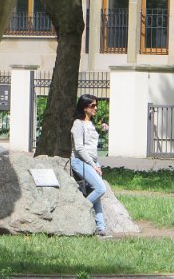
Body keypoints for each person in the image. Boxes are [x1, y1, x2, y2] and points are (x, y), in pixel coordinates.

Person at [70, 94, 110, 238]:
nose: (96, 108)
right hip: (80, 161)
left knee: (96, 192)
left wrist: (96, 164)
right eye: (93, 105)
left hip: (91, 162)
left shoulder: (91, 124)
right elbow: (80, 149)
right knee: (100, 188)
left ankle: (101, 228)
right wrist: (93, 165)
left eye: (96, 105)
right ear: (84, 107)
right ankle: (80, 209)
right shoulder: (78, 124)